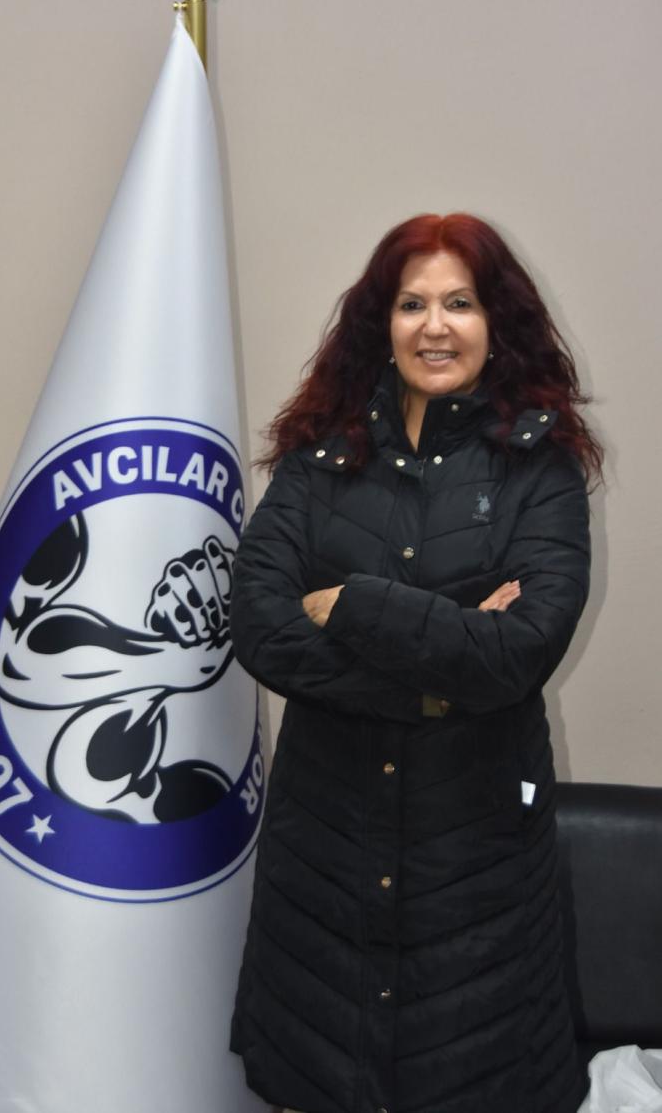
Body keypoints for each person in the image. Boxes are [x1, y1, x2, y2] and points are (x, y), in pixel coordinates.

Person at [228, 213, 602, 1113]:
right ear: (381, 323)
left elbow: (519, 652)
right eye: (411, 304)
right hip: (324, 853)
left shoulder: (540, 467)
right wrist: (446, 672)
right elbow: (259, 626)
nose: (435, 326)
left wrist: (353, 605)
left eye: (459, 303)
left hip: (476, 861)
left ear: (496, 321)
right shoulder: (319, 458)